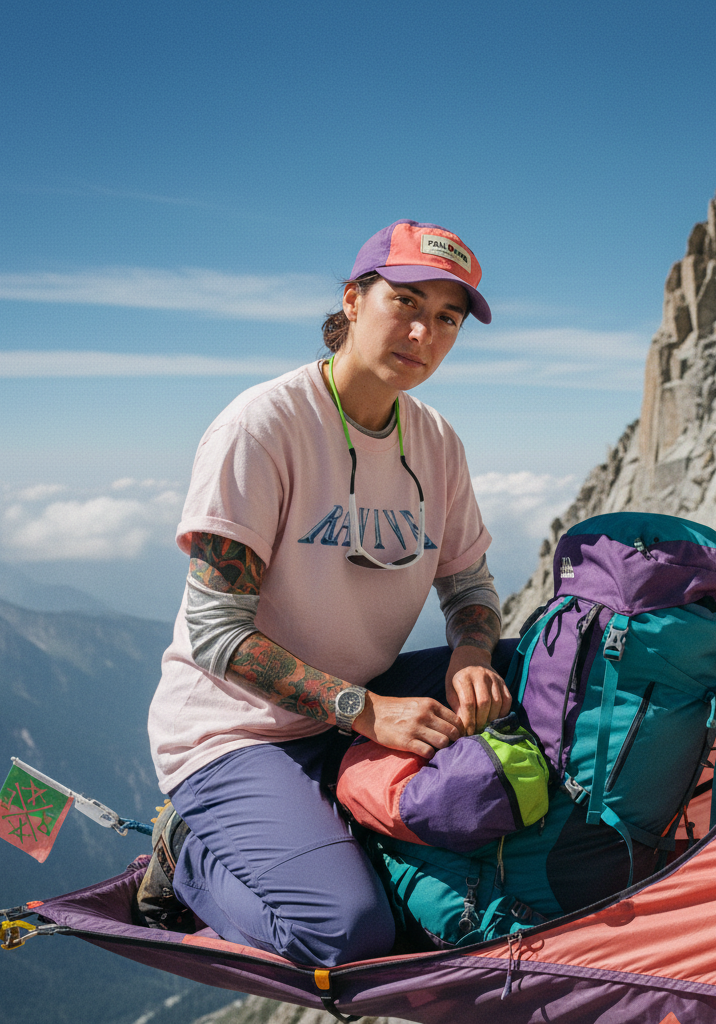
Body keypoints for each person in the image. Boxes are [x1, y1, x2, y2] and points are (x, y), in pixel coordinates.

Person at [145, 220, 516, 968]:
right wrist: (367, 711)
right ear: (352, 300)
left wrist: (472, 654)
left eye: (447, 318)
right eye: (405, 302)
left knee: (535, 670)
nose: (424, 332)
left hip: (357, 701)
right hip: (239, 732)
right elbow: (218, 633)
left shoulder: (436, 441)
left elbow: (469, 580)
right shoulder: (263, 426)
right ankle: (185, 853)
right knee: (348, 936)